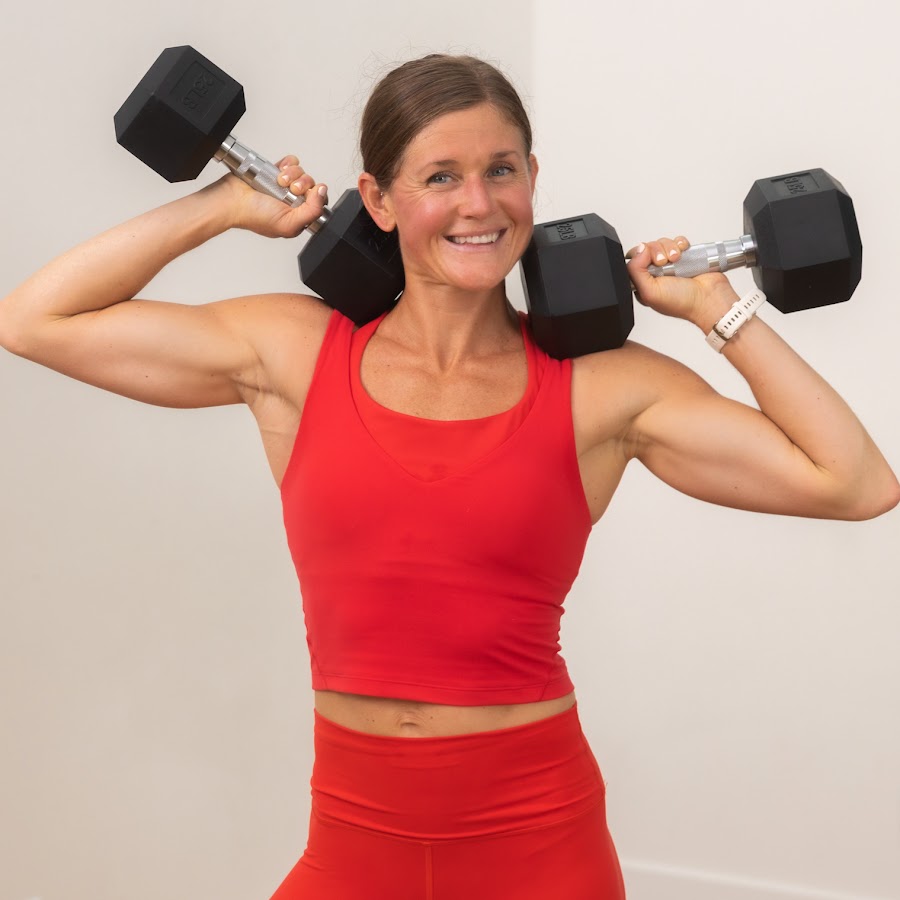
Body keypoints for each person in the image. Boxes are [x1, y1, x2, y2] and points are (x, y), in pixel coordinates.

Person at [1, 53, 897, 900]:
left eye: (501, 170)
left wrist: (716, 307)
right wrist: (225, 205)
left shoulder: (600, 388)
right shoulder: (296, 354)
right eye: (440, 176)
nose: (478, 203)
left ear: (533, 179)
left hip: (538, 845)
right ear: (378, 200)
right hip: (352, 843)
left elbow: (854, 482)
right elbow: (35, 321)